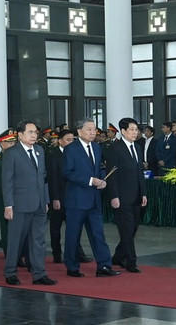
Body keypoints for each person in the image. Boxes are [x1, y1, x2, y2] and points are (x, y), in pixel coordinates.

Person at [62, 117, 120, 278]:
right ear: (79, 131)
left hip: (94, 199)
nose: (93, 132)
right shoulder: (71, 149)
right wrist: (89, 181)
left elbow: (100, 168)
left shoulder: (96, 147)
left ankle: (104, 265)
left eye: (94, 129)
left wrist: (102, 179)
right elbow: (68, 173)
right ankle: (72, 266)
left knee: (98, 234)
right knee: (73, 235)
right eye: (89, 129)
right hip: (77, 199)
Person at [1, 121, 57, 286]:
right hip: (19, 204)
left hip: (39, 204)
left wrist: (45, 200)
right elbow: (7, 181)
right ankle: (10, 271)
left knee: (38, 240)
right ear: (20, 135)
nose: (34, 135)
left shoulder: (40, 151)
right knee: (15, 240)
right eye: (30, 132)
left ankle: (39, 273)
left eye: (35, 132)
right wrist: (8, 205)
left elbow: (43, 178)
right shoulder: (12, 153)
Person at [106, 118, 148, 273]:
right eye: (131, 129)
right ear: (123, 131)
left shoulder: (137, 147)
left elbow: (139, 173)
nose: (134, 132)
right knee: (127, 229)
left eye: (136, 129)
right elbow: (111, 175)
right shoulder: (115, 148)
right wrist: (114, 196)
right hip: (122, 197)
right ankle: (131, 261)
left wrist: (143, 193)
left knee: (133, 228)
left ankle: (118, 256)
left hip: (137, 195)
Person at [46, 129, 90, 263]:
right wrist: (55, 198)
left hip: (73, 197)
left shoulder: (75, 154)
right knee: (55, 228)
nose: (71, 142)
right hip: (59, 197)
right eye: (68, 140)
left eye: (73, 140)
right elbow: (52, 179)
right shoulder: (54, 156)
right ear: (60, 141)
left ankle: (78, 254)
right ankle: (57, 254)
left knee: (74, 227)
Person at [0, 128, 17, 256]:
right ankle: (10, 255)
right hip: (5, 202)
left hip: (19, 201)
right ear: (2, 144)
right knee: (7, 230)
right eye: (9, 142)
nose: (12, 145)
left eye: (13, 142)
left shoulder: (18, 159)